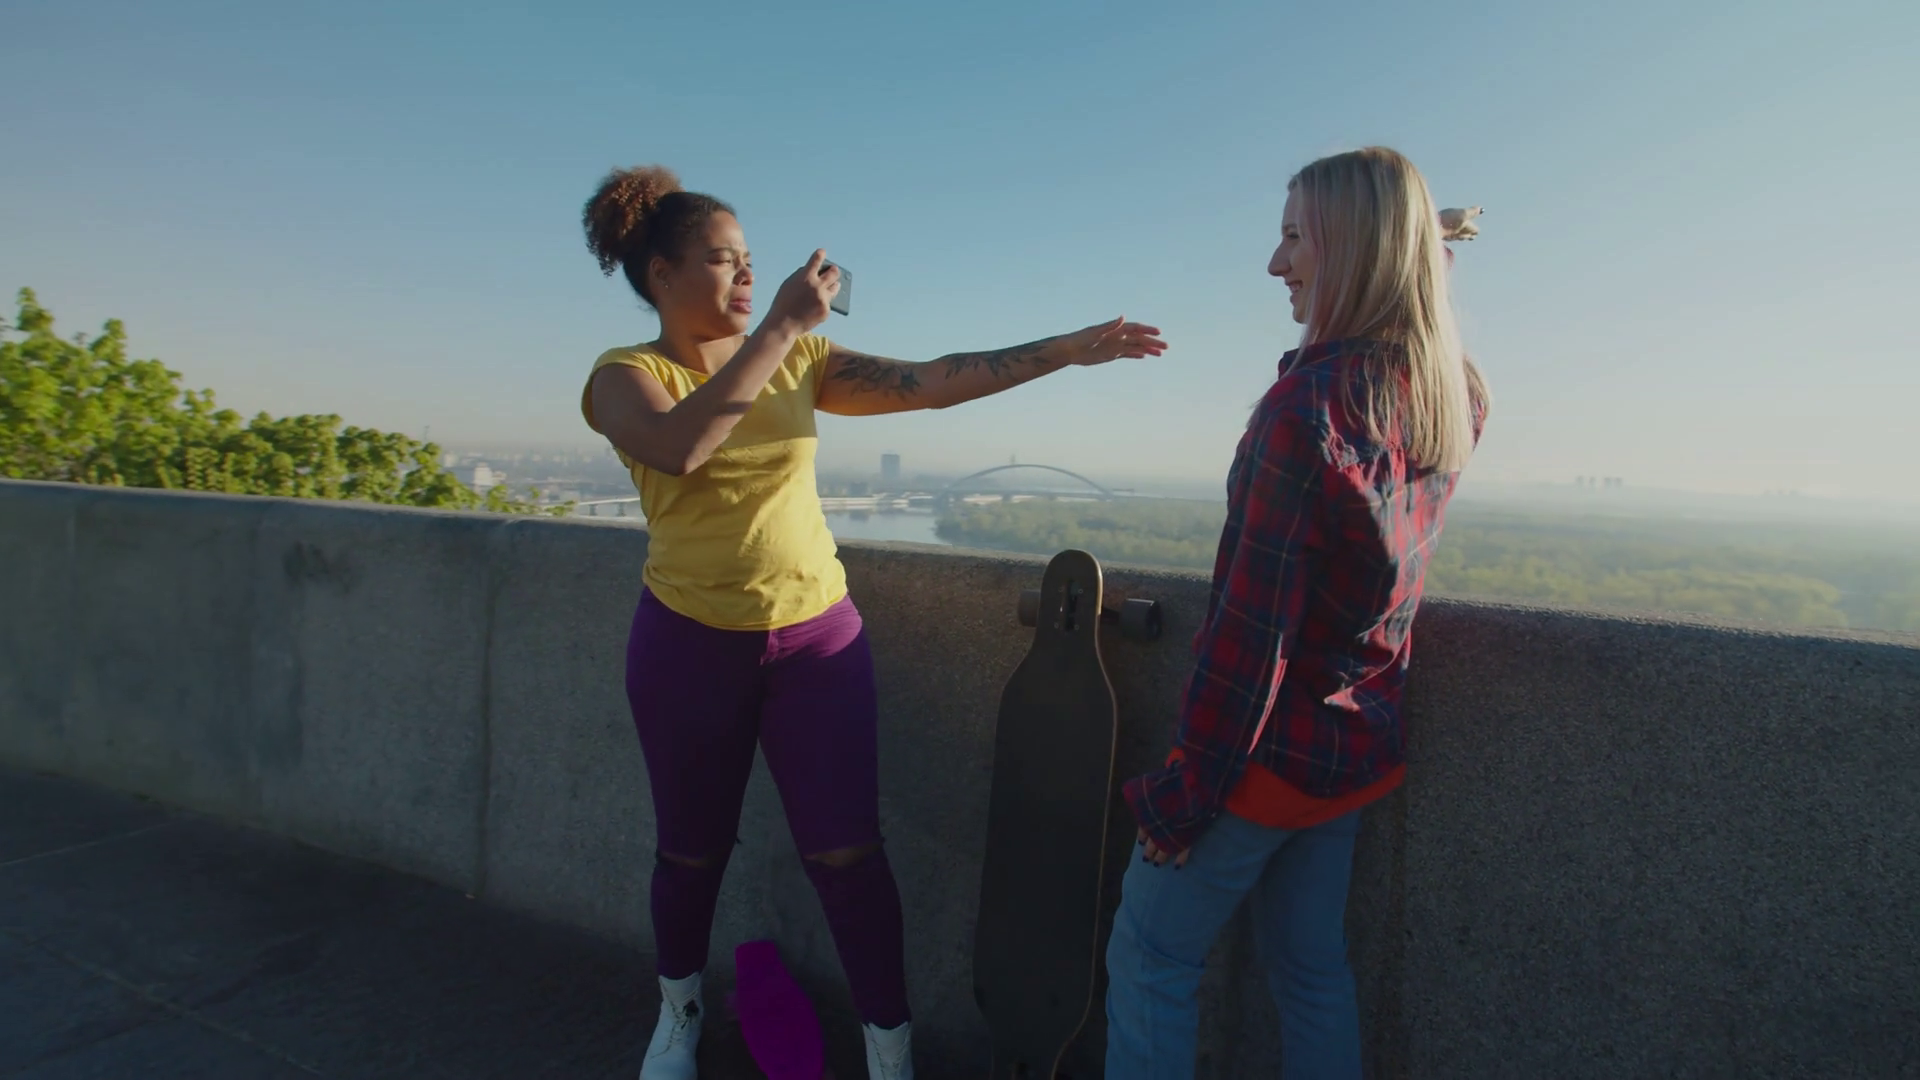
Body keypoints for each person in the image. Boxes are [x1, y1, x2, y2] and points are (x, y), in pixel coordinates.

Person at [576, 164, 1166, 1080]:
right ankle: (678, 1014)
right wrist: (778, 326)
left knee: (850, 857)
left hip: (816, 643)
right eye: (725, 260)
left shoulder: (800, 361)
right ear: (662, 273)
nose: (747, 275)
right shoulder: (626, 377)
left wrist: (1062, 350)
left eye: (750, 260)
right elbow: (680, 448)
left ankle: (890, 1053)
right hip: (688, 645)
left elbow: (928, 382)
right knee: (689, 854)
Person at [1102, 147, 1490, 1078]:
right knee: (1312, 972)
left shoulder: (1303, 412)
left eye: (1292, 238)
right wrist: (1422, 242)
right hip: (1352, 747)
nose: (1275, 264)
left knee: (1150, 959)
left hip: (1260, 761)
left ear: (1352, 248)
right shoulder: (1451, 393)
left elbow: (1250, 638)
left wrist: (1186, 795)